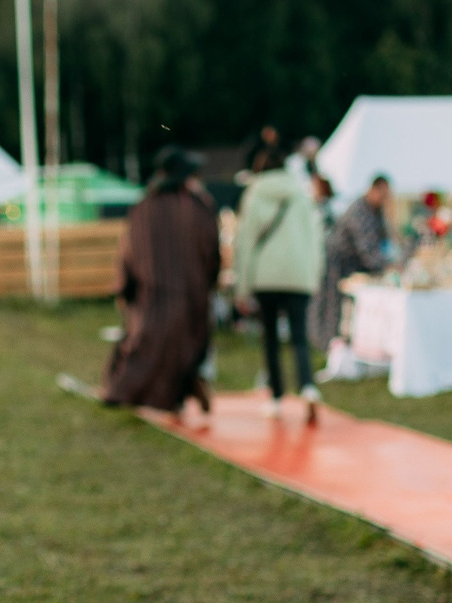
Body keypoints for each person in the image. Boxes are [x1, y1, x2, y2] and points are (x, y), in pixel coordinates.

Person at [102, 147, 222, 416]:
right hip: (192, 304)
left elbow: (128, 256)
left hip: (152, 303)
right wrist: (207, 286)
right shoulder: (198, 207)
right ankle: (185, 387)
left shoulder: (144, 207)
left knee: (140, 353)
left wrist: (126, 290)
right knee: (185, 351)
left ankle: (133, 391)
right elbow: (212, 254)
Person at [233, 140, 327, 421]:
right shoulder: (300, 194)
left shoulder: (254, 195)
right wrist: (314, 275)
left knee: (270, 338)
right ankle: (308, 387)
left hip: (266, 276)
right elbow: (314, 238)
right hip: (298, 274)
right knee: (299, 336)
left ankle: (276, 395)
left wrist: (242, 287)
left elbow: (245, 243)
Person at [312, 174, 393, 361]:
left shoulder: (375, 211)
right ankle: (328, 345)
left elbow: (382, 239)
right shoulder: (361, 211)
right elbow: (367, 248)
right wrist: (385, 265)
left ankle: (338, 345)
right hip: (337, 262)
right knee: (333, 304)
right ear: (374, 189)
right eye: (384, 193)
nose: (385, 199)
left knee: (342, 307)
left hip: (351, 264)